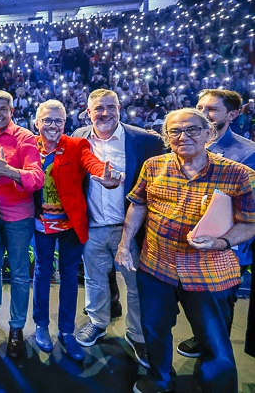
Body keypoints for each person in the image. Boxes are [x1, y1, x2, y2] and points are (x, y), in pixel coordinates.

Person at [116, 108, 255, 393]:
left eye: (192, 129)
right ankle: (161, 380)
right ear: (167, 137)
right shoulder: (153, 165)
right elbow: (139, 204)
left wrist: (221, 242)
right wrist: (124, 244)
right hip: (156, 267)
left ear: (209, 133)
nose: (183, 136)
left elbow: (251, 222)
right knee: (155, 330)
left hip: (208, 272)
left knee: (214, 341)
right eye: (175, 131)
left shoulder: (238, 174)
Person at [72, 89, 164, 368]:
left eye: (110, 107)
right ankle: (98, 322)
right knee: (94, 279)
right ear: (88, 112)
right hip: (93, 225)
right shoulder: (78, 138)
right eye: (98, 108)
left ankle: (137, 335)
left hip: (131, 228)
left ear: (120, 108)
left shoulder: (146, 140)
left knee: (135, 285)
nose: (105, 113)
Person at [30, 100, 124, 361]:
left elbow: (91, 161)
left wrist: (102, 174)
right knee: (42, 273)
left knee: (70, 277)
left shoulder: (75, 144)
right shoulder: (29, 146)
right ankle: (40, 325)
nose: (52, 126)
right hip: (41, 225)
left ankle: (66, 331)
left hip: (70, 225)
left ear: (65, 123)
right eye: (47, 120)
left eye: (58, 121)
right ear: (37, 123)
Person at [176, 89, 255, 358]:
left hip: (228, 246)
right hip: (191, 241)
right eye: (200, 107)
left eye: (211, 109)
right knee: (199, 300)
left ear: (232, 115)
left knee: (221, 302)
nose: (203, 113)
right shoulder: (185, 143)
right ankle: (203, 339)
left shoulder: (247, 154)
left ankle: (216, 355)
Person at [0, 90, 45, 358]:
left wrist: (10, 172)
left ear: (12, 111)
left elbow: (37, 178)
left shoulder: (25, 137)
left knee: (18, 275)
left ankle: (16, 328)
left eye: (3, 109)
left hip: (18, 217)